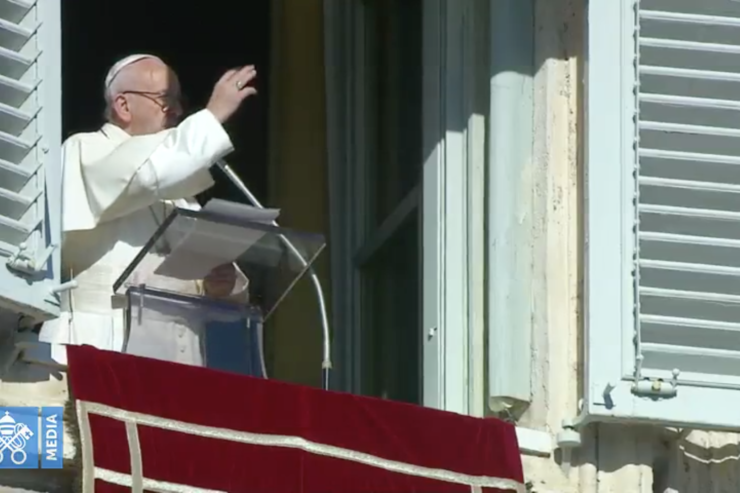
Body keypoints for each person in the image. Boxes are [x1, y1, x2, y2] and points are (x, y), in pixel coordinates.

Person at [37, 54, 259, 366]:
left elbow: (216, 282)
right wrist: (211, 117)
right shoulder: (86, 149)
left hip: (178, 361)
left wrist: (223, 284)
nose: (178, 111)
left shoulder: (179, 194)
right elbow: (144, 176)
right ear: (123, 105)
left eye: (179, 101)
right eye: (166, 100)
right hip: (101, 345)